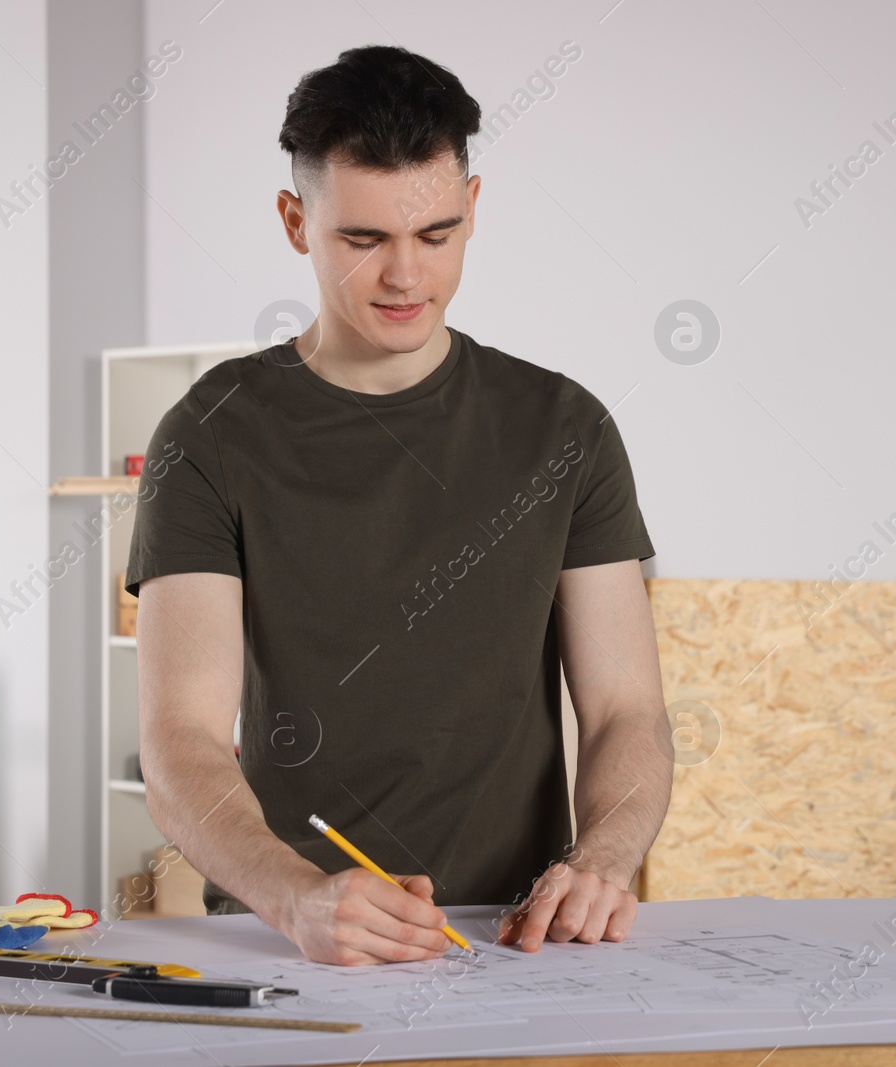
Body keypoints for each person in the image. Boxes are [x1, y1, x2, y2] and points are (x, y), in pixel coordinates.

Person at [126, 44, 672, 967]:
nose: (405, 278)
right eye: (364, 239)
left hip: (515, 938)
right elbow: (180, 743)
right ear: (297, 222)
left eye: (436, 235)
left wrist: (603, 859)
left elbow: (627, 710)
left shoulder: (564, 428)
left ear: (474, 211)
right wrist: (295, 897)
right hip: (290, 939)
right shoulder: (211, 433)